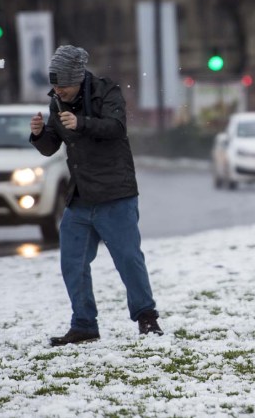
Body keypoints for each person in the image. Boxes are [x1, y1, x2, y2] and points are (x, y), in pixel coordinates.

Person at [29, 45, 163, 346]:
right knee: (72, 262)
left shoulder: (106, 91)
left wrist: (82, 123)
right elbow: (52, 145)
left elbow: (116, 128)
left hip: (115, 192)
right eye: (53, 85)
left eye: (61, 85)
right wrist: (39, 134)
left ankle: (147, 318)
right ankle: (84, 325)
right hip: (80, 196)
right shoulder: (57, 102)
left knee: (128, 259)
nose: (57, 90)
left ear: (76, 79)